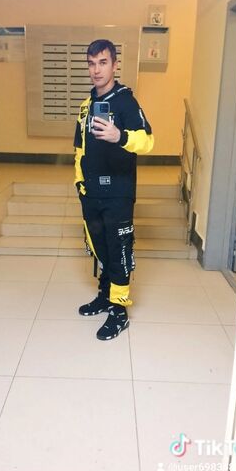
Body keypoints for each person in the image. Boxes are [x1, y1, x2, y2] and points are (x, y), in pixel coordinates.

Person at [73, 39, 154, 340]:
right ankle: (105, 295)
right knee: (100, 248)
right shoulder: (86, 106)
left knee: (119, 249)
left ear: (115, 65)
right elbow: (79, 149)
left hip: (118, 193)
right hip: (91, 193)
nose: (96, 70)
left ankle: (119, 311)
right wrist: (79, 183)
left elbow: (147, 141)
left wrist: (120, 136)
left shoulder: (125, 101)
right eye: (92, 63)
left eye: (103, 62)